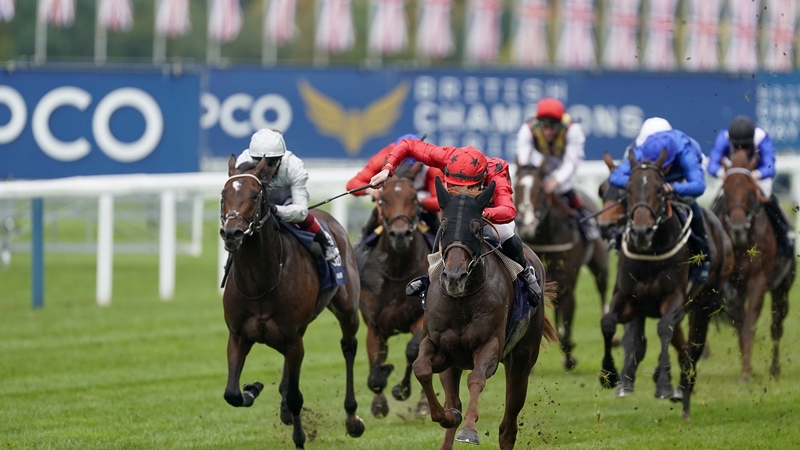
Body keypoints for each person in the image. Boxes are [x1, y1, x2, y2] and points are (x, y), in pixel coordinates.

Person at [370, 139, 542, 307]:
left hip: (487, 213)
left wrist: (480, 213)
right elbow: (408, 144)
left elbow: (508, 211)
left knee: (505, 233)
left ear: (482, 181)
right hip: (460, 214)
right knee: (444, 231)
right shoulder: (445, 157)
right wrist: (388, 168)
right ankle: (429, 278)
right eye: (454, 187)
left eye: (469, 188)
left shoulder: (495, 173)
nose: (461, 193)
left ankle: (526, 272)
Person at [609, 119, 711, 283]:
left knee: (688, 200)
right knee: (640, 196)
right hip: (653, 179)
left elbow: (699, 186)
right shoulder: (643, 150)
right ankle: (621, 238)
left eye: (663, 167)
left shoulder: (686, 151)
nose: (660, 170)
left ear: (670, 161)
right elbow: (615, 176)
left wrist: (673, 188)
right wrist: (640, 185)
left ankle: (702, 256)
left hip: (683, 178)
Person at [235, 128, 340, 264]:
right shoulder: (243, 161)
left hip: (286, 203)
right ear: (252, 158)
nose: (265, 169)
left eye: (272, 163)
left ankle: (325, 243)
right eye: (259, 162)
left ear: (281, 158)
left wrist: (276, 209)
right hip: (256, 203)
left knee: (294, 212)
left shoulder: (294, 166)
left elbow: (301, 211)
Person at [707, 115, 794, 257]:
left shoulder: (761, 137)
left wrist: (756, 174)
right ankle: (709, 235)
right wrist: (721, 173)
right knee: (721, 199)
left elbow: (770, 167)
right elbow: (712, 165)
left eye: (745, 146)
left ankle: (785, 235)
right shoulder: (724, 136)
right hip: (733, 173)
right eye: (737, 146)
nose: (741, 149)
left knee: (769, 199)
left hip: (756, 174)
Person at [516, 98, 599, 242]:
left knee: (563, 187)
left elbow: (571, 162)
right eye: (544, 127)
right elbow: (524, 158)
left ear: (559, 125)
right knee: (527, 187)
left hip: (563, 160)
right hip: (540, 159)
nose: (548, 132)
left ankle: (585, 219)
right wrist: (532, 176)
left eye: (552, 127)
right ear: (538, 124)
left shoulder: (573, 130)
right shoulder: (527, 129)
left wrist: (555, 183)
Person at [346, 134, 444, 241]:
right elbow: (352, 184)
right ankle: (361, 247)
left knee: (434, 222)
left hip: (419, 201)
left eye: (410, 166)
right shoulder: (383, 157)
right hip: (391, 200)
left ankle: (441, 247)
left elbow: (440, 201)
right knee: (378, 211)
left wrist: (420, 201)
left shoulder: (431, 164)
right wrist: (369, 191)